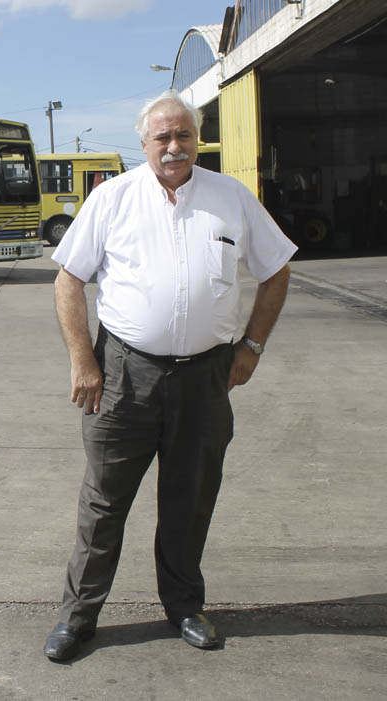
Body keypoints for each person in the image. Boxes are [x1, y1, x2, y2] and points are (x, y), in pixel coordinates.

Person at [43, 90, 297, 662]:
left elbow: (277, 269)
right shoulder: (113, 199)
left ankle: (184, 607)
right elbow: (67, 280)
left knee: (190, 499)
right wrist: (84, 362)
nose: (175, 147)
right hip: (124, 377)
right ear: (144, 143)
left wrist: (252, 346)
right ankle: (78, 618)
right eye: (163, 137)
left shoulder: (230, 198)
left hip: (205, 379)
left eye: (184, 135)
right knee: (104, 503)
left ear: (197, 139)